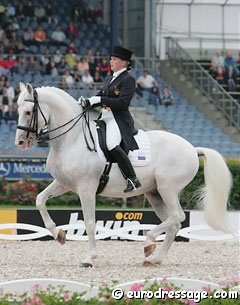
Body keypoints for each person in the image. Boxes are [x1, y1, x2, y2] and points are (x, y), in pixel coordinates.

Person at [85, 46, 141, 193]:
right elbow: (99, 96)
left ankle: (132, 178)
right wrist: (88, 102)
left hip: (118, 119)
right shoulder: (109, 79)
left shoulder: (128, 80)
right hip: (103, 117)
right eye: (111, 59)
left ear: (124, 62)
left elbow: (123, 103)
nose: (111, 61)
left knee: (111, 144)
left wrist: (100, 99)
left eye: (114, 59)